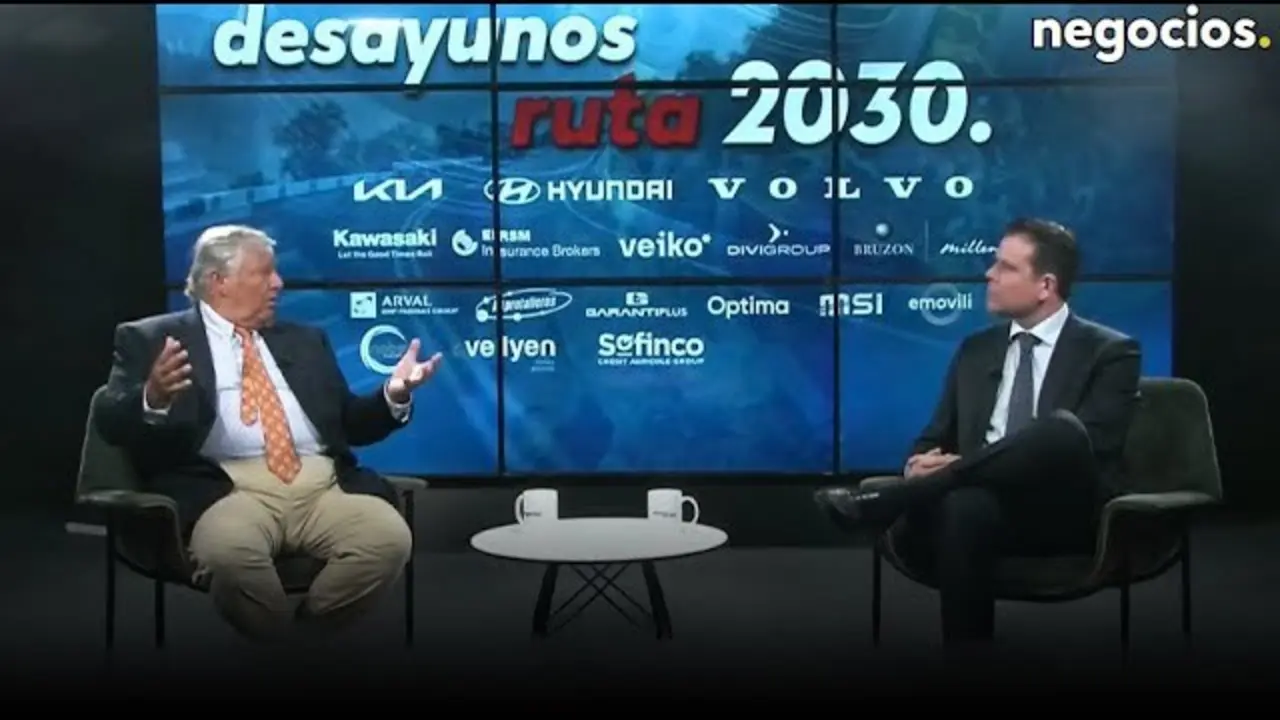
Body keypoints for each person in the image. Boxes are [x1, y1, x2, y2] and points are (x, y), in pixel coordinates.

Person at [96, 224, 443, 642]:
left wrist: (394, 393)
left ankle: (299, 643)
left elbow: (350, 424)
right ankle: (282, 646)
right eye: (264, 273)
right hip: (225, 490)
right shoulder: (152, 338)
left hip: (322, 486)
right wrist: (151, 396)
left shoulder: (306, 340)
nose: (278, 282)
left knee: (388, 540)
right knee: (230, 555)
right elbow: (111, 421)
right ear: (219, 282)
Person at [815, 218, 1141, 646]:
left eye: (1006, 267)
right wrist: (918, 465)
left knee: (1061, 431)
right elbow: (933, 438)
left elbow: (1092, 448)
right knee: (965, 505)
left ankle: (891, 500)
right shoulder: (976, 349)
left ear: (1045, 285)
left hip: (1062, 514)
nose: (989, 274)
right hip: (981, 507)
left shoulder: (1111, 352)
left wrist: (952, 470)